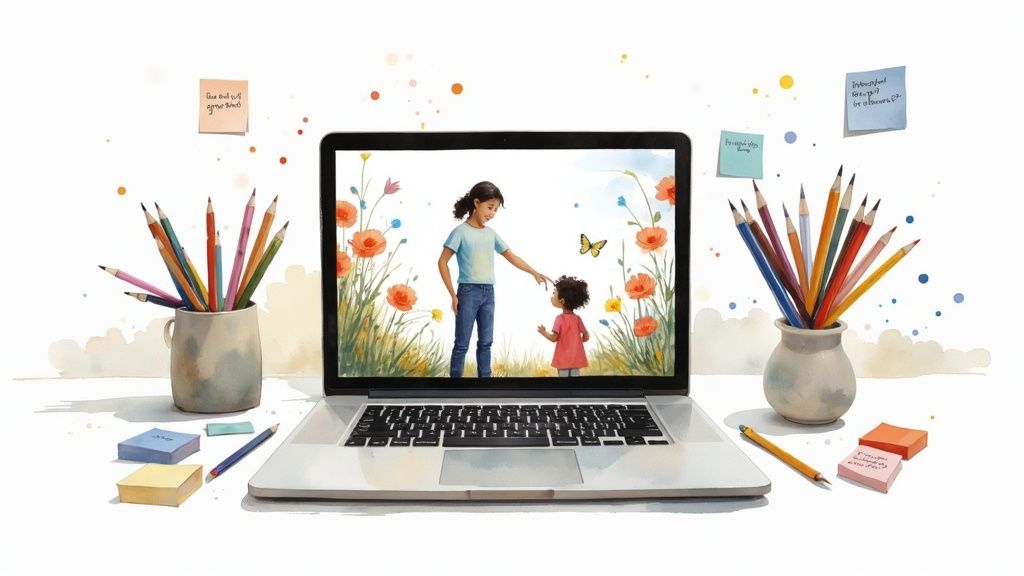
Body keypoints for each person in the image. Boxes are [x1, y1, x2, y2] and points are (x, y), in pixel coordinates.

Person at [438, 181, 553, 378]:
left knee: (486, 342)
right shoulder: (460, 232)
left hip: (488, 293)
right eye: (490, 208)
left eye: (496, 210)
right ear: (476, 203)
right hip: (467, 292)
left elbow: (512, 256)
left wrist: (534, 271)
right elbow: (442, 262)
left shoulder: (491, 234)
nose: (492, 213)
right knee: (462, 343)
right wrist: (453, 295)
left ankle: (486, 384)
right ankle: (454, 388)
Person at [537, 275, 590, 377]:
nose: (552, 297)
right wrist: (578, 341)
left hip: (563, 359)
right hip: (576, 358)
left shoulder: (559, 319)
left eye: (554, 294)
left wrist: (544, 332)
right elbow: (586, 336)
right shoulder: (577, 319)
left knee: (563, 384)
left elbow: (554, 338)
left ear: (562, 301)